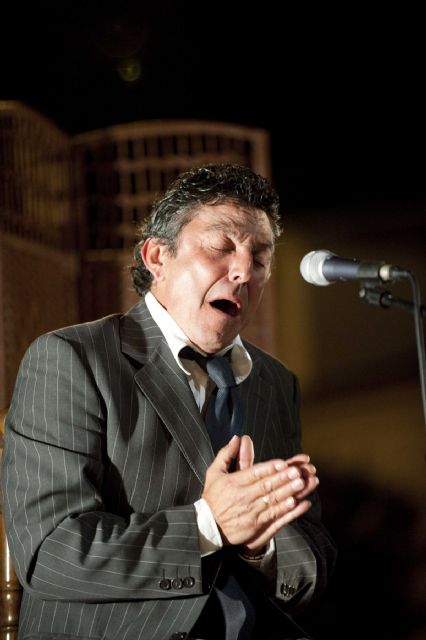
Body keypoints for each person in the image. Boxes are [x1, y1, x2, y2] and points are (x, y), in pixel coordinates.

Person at [2, 163, 337, 640]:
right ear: (157, 256)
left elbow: (312, 564)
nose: (244, 271)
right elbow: (52, 553)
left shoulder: (276, 383)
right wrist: (209, 525)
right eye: (221, 246)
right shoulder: (72, 359)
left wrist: (259, 548)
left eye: (260, 259)